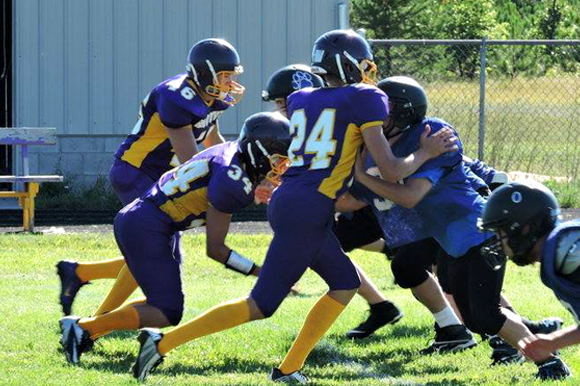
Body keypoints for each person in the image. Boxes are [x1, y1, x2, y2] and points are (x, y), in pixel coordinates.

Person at [130, 29, 456, 384]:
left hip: (299, 200)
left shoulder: (302, 98)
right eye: (362, 65)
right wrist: (426, 152)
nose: (368, 73)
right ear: (348, 64)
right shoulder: (366, 97)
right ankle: (161, 342)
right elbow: (392, 170)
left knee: (345, 283)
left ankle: (288, 369)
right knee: (262, 304)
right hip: (308, 206)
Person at [351, 75, 571, 380]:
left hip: (479, 232)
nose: (376, 119)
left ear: (402, 110)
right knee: (475, 320)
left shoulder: (432, 134)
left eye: (383, 110)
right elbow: (380, 183)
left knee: (486, 313)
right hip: (450, 240)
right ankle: (535, 332)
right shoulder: (393, 146)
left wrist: (363, 178)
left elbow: (411, 195)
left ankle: (549, 361)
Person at [58, 112, 291, 365]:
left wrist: (253, 185)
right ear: (257, 152)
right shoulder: (232, 184)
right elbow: (216, 249)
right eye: (278, 161)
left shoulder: (232, 153)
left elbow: (214, 179)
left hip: (145, 219)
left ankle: (86, 329)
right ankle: (83, 328)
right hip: (147, 226)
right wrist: (259, 271)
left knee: (162, 304)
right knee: (166, 310)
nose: (281, 168)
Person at [56, 38, 244, 317]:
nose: (230, 83)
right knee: (156, 253)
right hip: (137, 171)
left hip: (159, 176)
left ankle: (79, 274)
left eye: (232, 76)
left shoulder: (209, 97)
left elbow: (212, 141)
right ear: (206, 74)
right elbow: (191, 161)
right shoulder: (177, 96)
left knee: (154, 253)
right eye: (225, 76)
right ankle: (94, 322)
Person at [479, 180, 578, 375]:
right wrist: (551, 342)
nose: (498, 242)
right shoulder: (556, 253)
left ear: (524, 228)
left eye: (501, 232)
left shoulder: (566, 250)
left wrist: (553, 341)